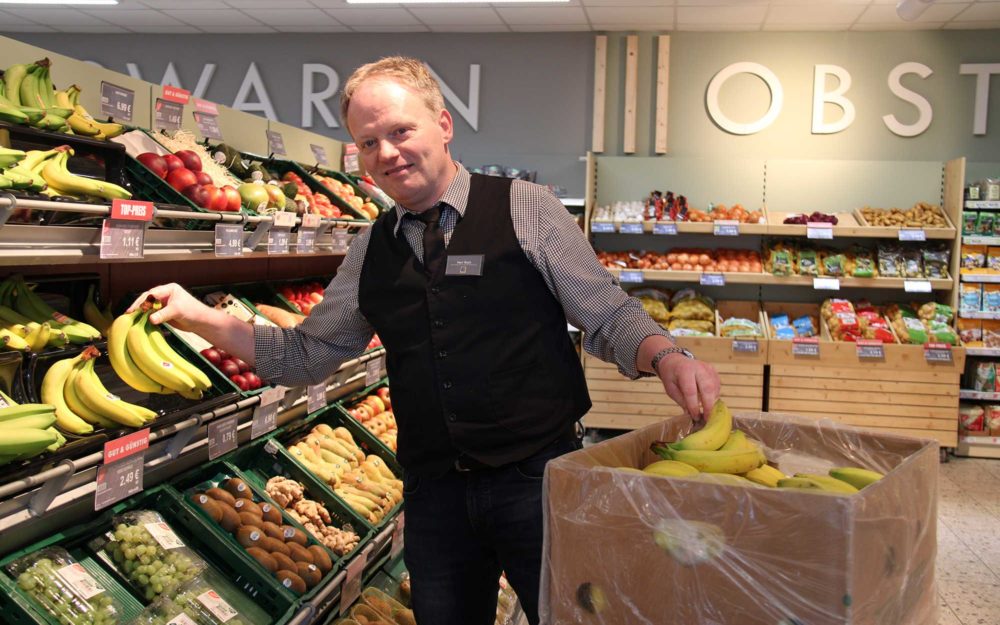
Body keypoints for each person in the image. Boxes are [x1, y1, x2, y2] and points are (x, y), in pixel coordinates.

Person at [132, 56, 720, 625]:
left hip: (537, 480)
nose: (386, 153)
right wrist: (198, 318)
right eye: (368, 142)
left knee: (567, 614)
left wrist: (664, 354)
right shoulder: (370, 248)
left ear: (442, 125)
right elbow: (310, 355)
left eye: (399, 130)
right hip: (436, 495)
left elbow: (607, 314)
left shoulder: (525, 209)